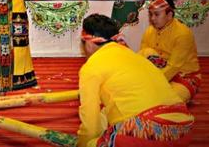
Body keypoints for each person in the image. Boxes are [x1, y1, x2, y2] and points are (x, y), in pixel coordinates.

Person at [78, 14, 194, 147]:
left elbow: (90, 121)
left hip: (147, 131)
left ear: (89, 43)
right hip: (184, 128)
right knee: (108, 111)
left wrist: (85, 143)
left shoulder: (92, 66)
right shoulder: (135, 56)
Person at [138, 0, 201, 103]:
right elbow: (141, 60)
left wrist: (149, 83)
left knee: (165, 100)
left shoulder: (183, 34)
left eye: (157, 14)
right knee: (145, 52)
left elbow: (173, 67)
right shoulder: (149, 31)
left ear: (170, 15)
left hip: (183, 77)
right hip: (159, 73)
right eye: (151, 14)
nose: (152, 18)